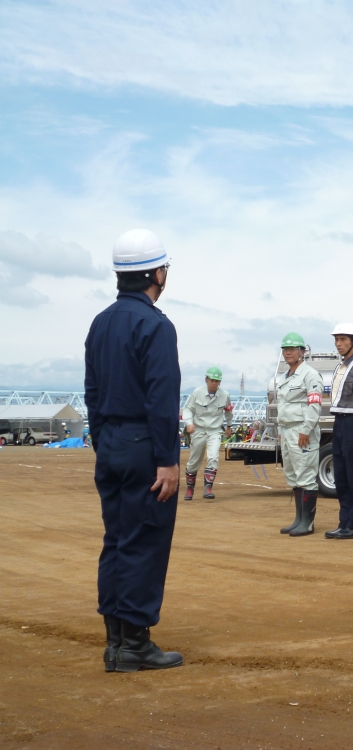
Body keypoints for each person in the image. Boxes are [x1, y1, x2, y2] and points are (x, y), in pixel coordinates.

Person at [84, 228, 183, 672]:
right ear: (156, 273)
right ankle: (136, 644)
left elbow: (91, 390)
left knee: (117, 540)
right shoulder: (156, 325)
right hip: (146, 446)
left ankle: (115, 641)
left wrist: (104, 442)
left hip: (111, 443)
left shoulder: (101, 323)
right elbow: (161, 398)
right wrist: (167, 459)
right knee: (145, 541)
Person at [324, 323, 353, 540]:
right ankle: (344, 522)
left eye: (343, 339)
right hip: (339, 421)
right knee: (341, 476)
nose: (338, 344)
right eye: (337, 340)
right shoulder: (339, 366)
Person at [275, 333, 325, 537]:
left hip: (302, 430)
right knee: (294, 476)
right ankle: (298, 519)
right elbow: (283, 405)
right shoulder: (285, 377)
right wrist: (280, 431)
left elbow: (314, 404)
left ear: (302, 352)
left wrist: (306, 429)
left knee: (306, 475)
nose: (288, 352)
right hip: (287, 430)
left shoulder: (310, 375)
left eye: (292, 349)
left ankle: (308, 522)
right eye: (285, 349)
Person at [182, 367, 233, 500]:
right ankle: (189, 488)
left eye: (217, 381)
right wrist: (189, 423)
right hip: (198, 430)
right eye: (212, 380)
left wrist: (229, 426)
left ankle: (208, 487)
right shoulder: (197, 393)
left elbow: (228, 411)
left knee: (213, 457)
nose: (214, 383)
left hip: (214, 431)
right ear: (206, 380)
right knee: (194, 461)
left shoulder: (225, 395)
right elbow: (187, 409)